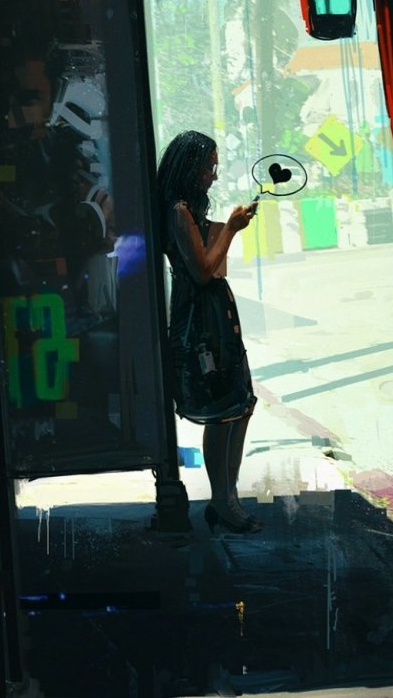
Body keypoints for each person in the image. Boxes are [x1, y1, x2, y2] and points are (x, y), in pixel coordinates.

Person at [157, 131, 262, 533]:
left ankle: (227, 496)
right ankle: (222, 498)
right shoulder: (178, 211)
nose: (213, 175)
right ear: (190, 167)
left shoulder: (187, 210)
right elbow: (201, 271)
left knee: (240, 405)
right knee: (222, 410)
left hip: (215, 315)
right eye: (208, 166)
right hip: (200, 321)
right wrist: (231, 229)